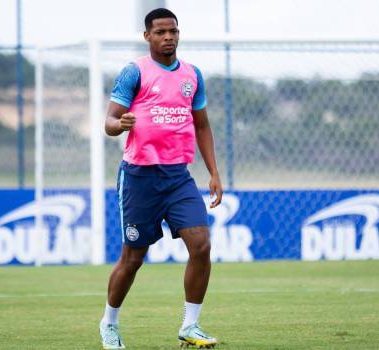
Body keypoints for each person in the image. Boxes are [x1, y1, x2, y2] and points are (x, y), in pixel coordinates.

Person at [99, 8, 223, 350]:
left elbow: (201, 125)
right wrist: (118, 125)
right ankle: (109, 323)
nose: (168, 37)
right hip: (139, 177)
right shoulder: (134, 72)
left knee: (201, 245)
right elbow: (109, 120)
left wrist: (214, 172)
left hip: (178, 177)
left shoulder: (192, 75)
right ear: (147, 36)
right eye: (160, 32)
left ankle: (190, 325)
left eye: (173, 31)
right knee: (133, 259)